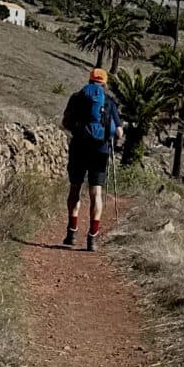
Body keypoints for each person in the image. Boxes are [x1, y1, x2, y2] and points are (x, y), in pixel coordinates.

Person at [60, 65, 121, 249]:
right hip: (100, 151)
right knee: (96, 193)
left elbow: (65, 123)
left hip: (79, 147)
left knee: (75, 188)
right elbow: (118, 132)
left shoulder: (77, 97)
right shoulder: (110, 102)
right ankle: (92, 237)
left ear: (89, 80)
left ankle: (72, 232)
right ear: (104, 83)